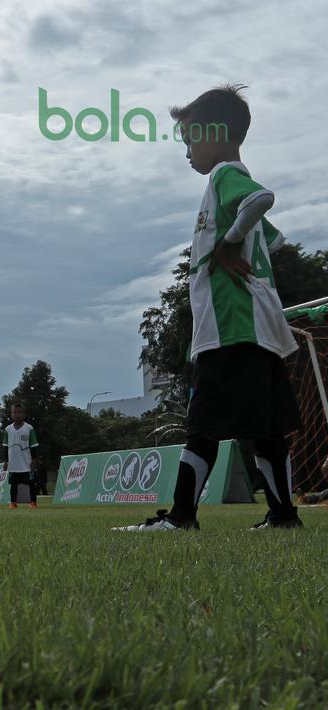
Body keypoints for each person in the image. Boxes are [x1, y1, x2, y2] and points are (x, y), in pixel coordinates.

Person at [115, 84, 301, 532]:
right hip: (257, 328)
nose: (187, 152)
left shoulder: (224, 176)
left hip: (230, 325)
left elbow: (261, 199)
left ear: (216, 133)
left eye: (190, 140)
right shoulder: (228, 183)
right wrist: (245, 240)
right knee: (265, 430)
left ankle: (180, 518)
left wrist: (230, 241)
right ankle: (282, 517)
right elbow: (274, 237)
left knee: (203, 425)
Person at [0, 403, 39, 509]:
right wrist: (5, 461)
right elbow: (5, 447)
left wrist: (34, 460)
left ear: (24, 414)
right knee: (13, 485)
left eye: (19, 412)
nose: (17, 414)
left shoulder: (29, 428)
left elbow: (34, 446)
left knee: (31, 484)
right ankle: (13, 503)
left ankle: (33, 503)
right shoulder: (8, 430)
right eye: (14, 412)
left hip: (26, 463)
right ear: (11, 414)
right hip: (13, 463)